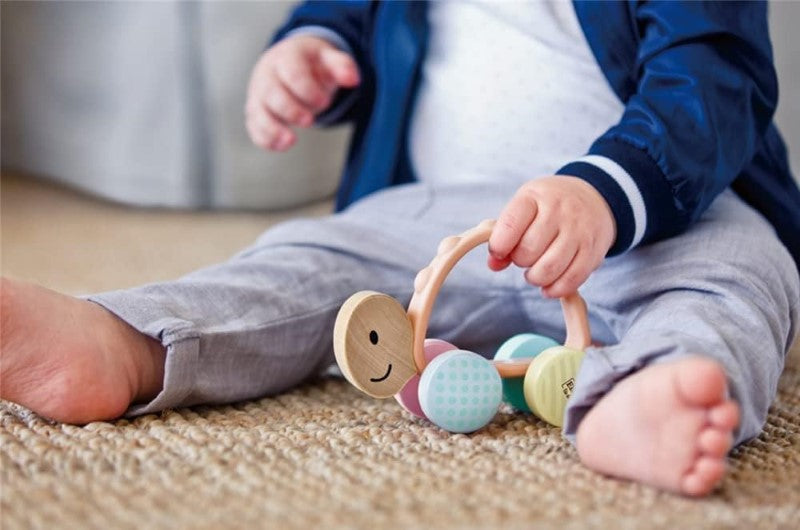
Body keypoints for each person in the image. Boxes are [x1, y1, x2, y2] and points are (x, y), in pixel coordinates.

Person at [1, 0, 799, 498]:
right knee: (308, 261)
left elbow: (714, 77)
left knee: (741, 276)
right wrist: (308, 49)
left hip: (655, 210)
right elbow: (353, 14)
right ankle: (130, 341)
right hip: (438, 222)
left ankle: (636, 397)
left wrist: (604, 191)